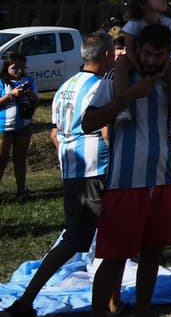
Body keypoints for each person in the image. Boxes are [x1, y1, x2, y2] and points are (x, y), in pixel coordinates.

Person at [4, 34, 122, 317]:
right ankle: (110, 305)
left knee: (72, 239)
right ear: (106, 55)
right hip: (97, 170)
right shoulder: (102, 87)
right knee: (113, 240)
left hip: (72, 171)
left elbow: (55, 133)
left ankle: (26, 300)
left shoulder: (64, 87)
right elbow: (106, 131)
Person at [82, 23, 171, 317]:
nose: (151, 61)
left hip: (163, 180)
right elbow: (88, 123)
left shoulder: (170, 82)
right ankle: (100, 312)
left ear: (167, 55)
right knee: (114, 257)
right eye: (147, 54)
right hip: (125, 185)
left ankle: (142, 310)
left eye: (158, 55)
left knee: (153, 252)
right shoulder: (116, 80)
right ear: (138, 51)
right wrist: (127, 98)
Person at [113, 0, 171, 139]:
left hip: (161, 60)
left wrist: (162, 70)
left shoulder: (168, 24)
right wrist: (139, 70)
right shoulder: (134, 24)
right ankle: (122, 104)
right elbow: (131, 50)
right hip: (135, 59)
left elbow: (168, 51)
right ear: (143, 4)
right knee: (121, 63)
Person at [0, 53, 37, 199]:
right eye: (15, 68)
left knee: (20, 159)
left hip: (23, 126)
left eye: (22, 67)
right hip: (3, 127)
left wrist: (30, 95)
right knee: (1, 160)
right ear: (7, 67)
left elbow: (37, 101)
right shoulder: (2, 82)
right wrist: (10, 95)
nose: (19, 71)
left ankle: (22, 190)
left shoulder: (29, 80)